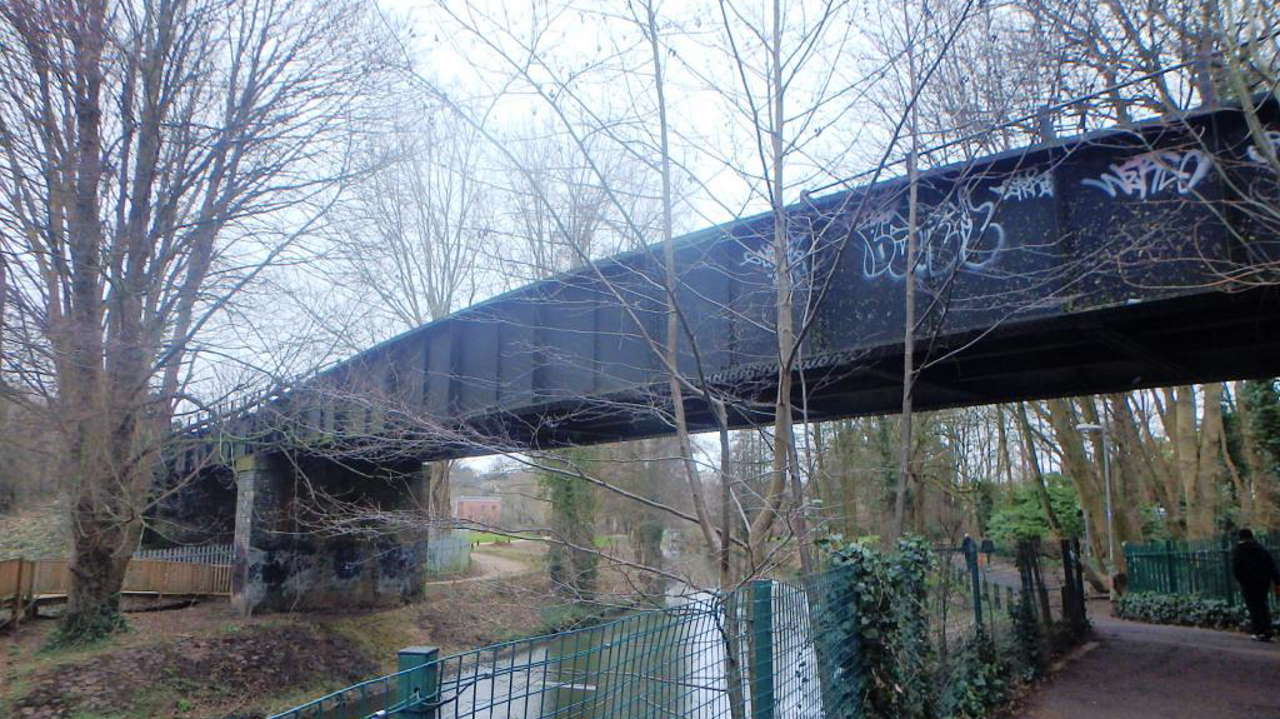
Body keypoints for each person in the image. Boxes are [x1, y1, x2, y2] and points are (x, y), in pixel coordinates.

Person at [1231, 528, 1280, 642]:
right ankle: (1268, 630)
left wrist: (1241, 581)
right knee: (1263, 605)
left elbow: (1237, 568)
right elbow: (1271, 565)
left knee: (1253, 607)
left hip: (1248, 583)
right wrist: (1276, 580)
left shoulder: (1239, 550)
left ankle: (1259, 631)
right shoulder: (1261, 548)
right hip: (1263, 582)